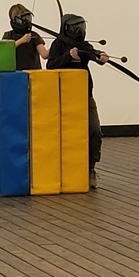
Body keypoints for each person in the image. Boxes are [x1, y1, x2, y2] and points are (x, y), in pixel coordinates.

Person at [46, 13, 109, 189]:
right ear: (67, 29)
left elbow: (93, 54)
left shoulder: (84, 45)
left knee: (95, 130)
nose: (80, 31)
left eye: (82, 27)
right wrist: (68, 55)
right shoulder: (58, 45)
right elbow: (50, 65)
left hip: (85, 95)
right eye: (77, 28)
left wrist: (101, 56)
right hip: (63, 98)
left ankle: (90, 168)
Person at [2, 4, 49, 70]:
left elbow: (44, 54)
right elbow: (4, 50)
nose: (27, 21)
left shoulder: (33, 35)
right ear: (15, 21)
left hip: (33, 73)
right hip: (15, 74)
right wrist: (21, 41)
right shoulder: (8, 35)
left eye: (28, 18)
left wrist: (56, 43)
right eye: (23, 19)